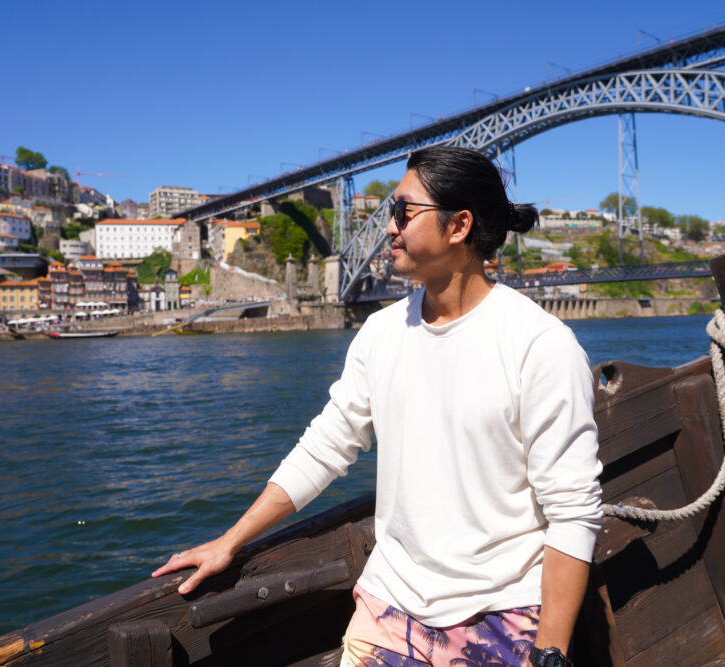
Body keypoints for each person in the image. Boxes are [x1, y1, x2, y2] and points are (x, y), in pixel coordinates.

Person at [153, 145, 602, 667]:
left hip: (501, 614)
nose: (388, 227)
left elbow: (572, 512)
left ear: (458, 226)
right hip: (389, 607)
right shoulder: (381, 333)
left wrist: (549, 653)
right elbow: (325, 447)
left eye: (403, 213)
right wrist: (231, 540)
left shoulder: (540, 345)